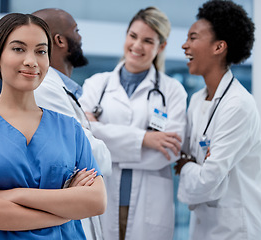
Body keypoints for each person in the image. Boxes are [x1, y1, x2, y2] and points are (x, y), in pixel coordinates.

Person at [0, 13, 106, 239]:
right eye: (18, 49)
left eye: (41, 51)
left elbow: (96, 201)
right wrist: (65, 211)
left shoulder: (70, 129)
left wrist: (15, 195)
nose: (31, 61)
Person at [79, 6, 187, 240]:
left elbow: (169, 151)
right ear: (126, 35)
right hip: (103, 197)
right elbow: (83, 140)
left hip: (150, 204)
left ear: (162, 46)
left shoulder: (172, 90)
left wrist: (102, 134)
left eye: (148, 40)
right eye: (133, 36)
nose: (137, 46)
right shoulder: (96, 85)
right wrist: (145, 139)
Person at [174, 1, 261, 239]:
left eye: (193, 38)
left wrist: (188, 167)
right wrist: (194, 165)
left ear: (219, 47)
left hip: (236, 228)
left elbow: (208, 178)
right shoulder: (196, 99)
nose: (185, 46)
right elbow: (185, 157)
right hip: (204, 224)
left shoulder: (238, 105)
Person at [31, 8, 112, 240]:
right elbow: (97, 158)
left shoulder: (63, 89)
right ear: (60, 40)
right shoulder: (45, 88)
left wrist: (89, 135)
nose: (80, 37)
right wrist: (92, 137)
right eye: (76, 30)